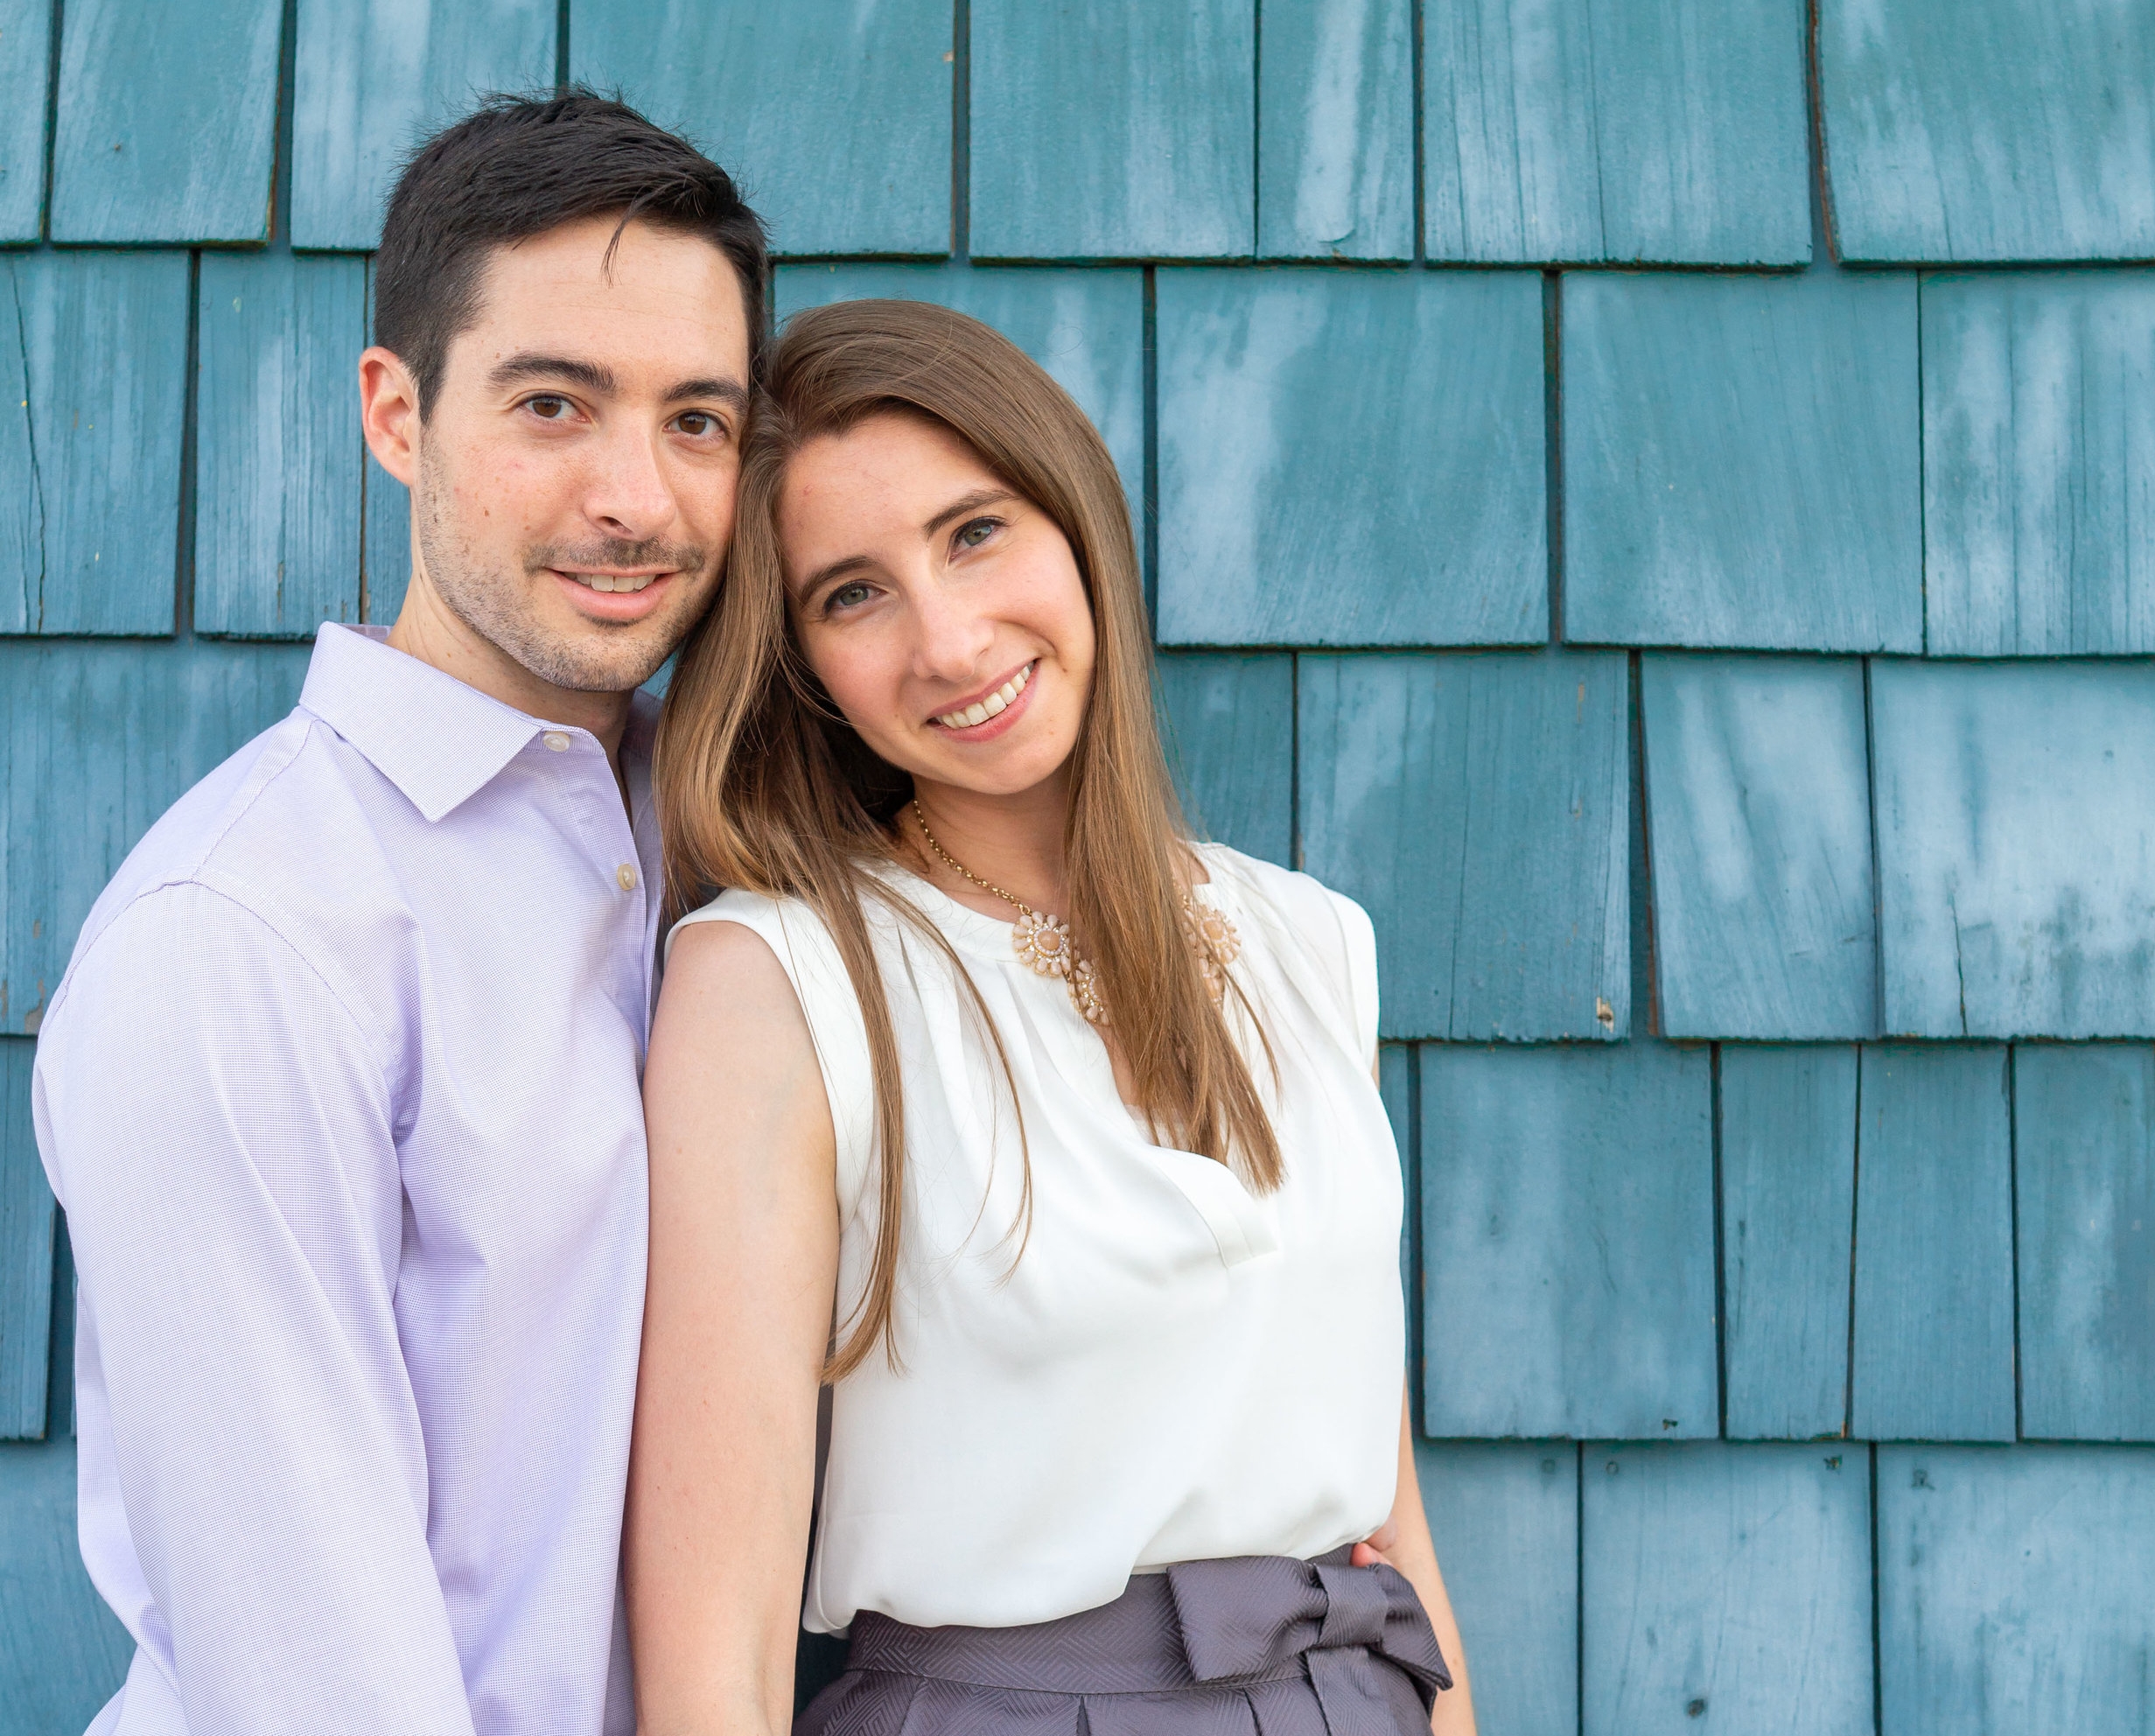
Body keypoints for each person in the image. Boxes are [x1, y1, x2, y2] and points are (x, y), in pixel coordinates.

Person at [632, 300, 1480, 1735]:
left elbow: (1381, 1497)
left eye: (975, 533)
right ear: (801, 667)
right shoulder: (779, 983)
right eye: (853, 594)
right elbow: (716, 1637)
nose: (951, 641)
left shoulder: (1309, 940)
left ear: (1076, 520)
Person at [31, 92, 761, 1734]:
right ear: (396, 414)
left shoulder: (716, 837)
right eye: (556, 404)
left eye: (697, 420)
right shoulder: (239, 941)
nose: (639, 497)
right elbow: (322, 1685)